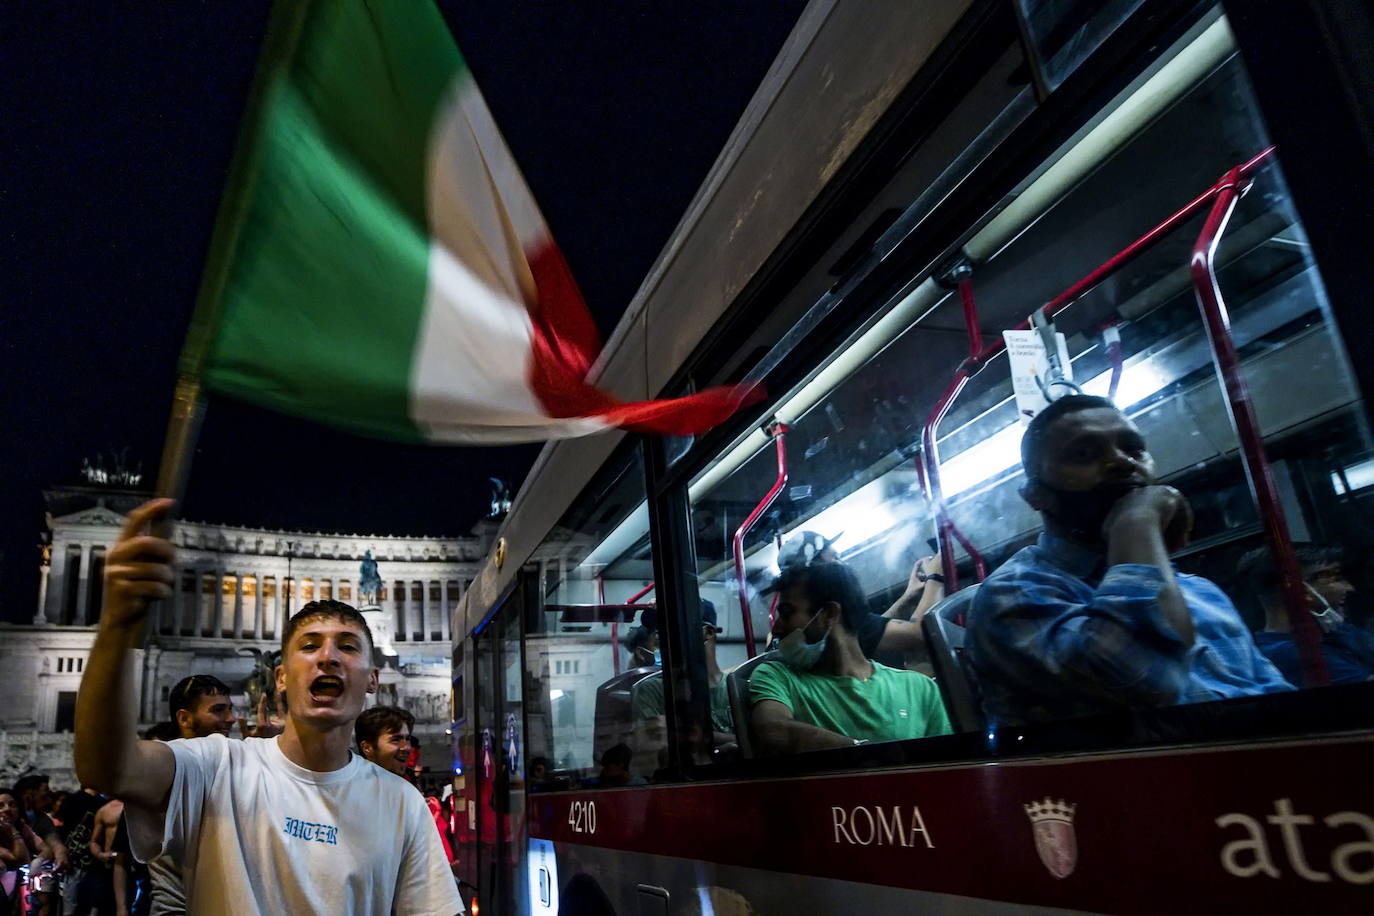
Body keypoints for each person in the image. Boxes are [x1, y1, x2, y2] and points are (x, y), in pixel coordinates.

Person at [75, 499, 462, 915]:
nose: (327, 657)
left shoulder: (403, 803)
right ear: (280, 676)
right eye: (310, 645)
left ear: (373, 679)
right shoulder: (215, 766)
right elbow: (108, 769)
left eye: (347, 647)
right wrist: (116, 624)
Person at [967, 395, 1293, 727]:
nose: (1123, 462)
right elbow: (1153, 684)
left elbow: (1276, 697)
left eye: (1134, 450)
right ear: (1035, 494)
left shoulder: (1200, 592)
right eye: (1084, 454)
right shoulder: (1015, 592)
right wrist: (1136, 523)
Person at [749, 561, 952, 755]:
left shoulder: (920, 688)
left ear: (828, 614)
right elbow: (773, 730)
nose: (776, 628)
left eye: (787, 613)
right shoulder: (777, 677)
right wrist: (865, 754)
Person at [1241, 544, 1374, 685]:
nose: (1349, 588)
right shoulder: (1290, 653)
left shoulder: (1340, 633)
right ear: (1298, 590)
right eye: (1333, 578)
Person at [13, 775, 67, 915]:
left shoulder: (41, 819)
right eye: (45, 794)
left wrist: (59, 853)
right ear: (28, 796)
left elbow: (53, 842)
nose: (49, 799)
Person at [1, 788, 48, 916]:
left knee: (44, 878)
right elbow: (20, 859)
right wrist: (13, 832)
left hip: (22, 882)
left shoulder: (22, 826)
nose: (7, 809)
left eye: (12, 805)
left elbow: (46, 849)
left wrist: (38, 861)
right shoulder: (14, 829)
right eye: (1, 806)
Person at [354, 706, 415, 778]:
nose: (406, 747)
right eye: (395, 740)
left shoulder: (408, 786)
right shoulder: (353, 787)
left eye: (407, 739)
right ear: (367, 748)